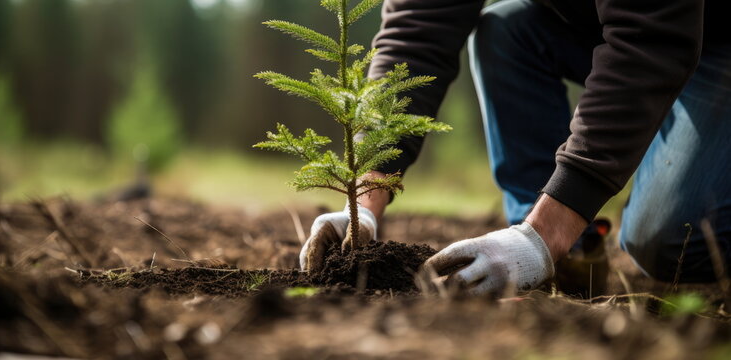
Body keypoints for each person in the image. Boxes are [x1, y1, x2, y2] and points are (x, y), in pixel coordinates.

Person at [300, 0, 731, 296]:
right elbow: (416, 32)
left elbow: (653, 40)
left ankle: (547, 237)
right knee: (506, 29)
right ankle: (567, 262)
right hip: (622, 29)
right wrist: (364, 202)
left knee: (669, 243)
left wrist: (546, 235)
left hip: (707, 37)